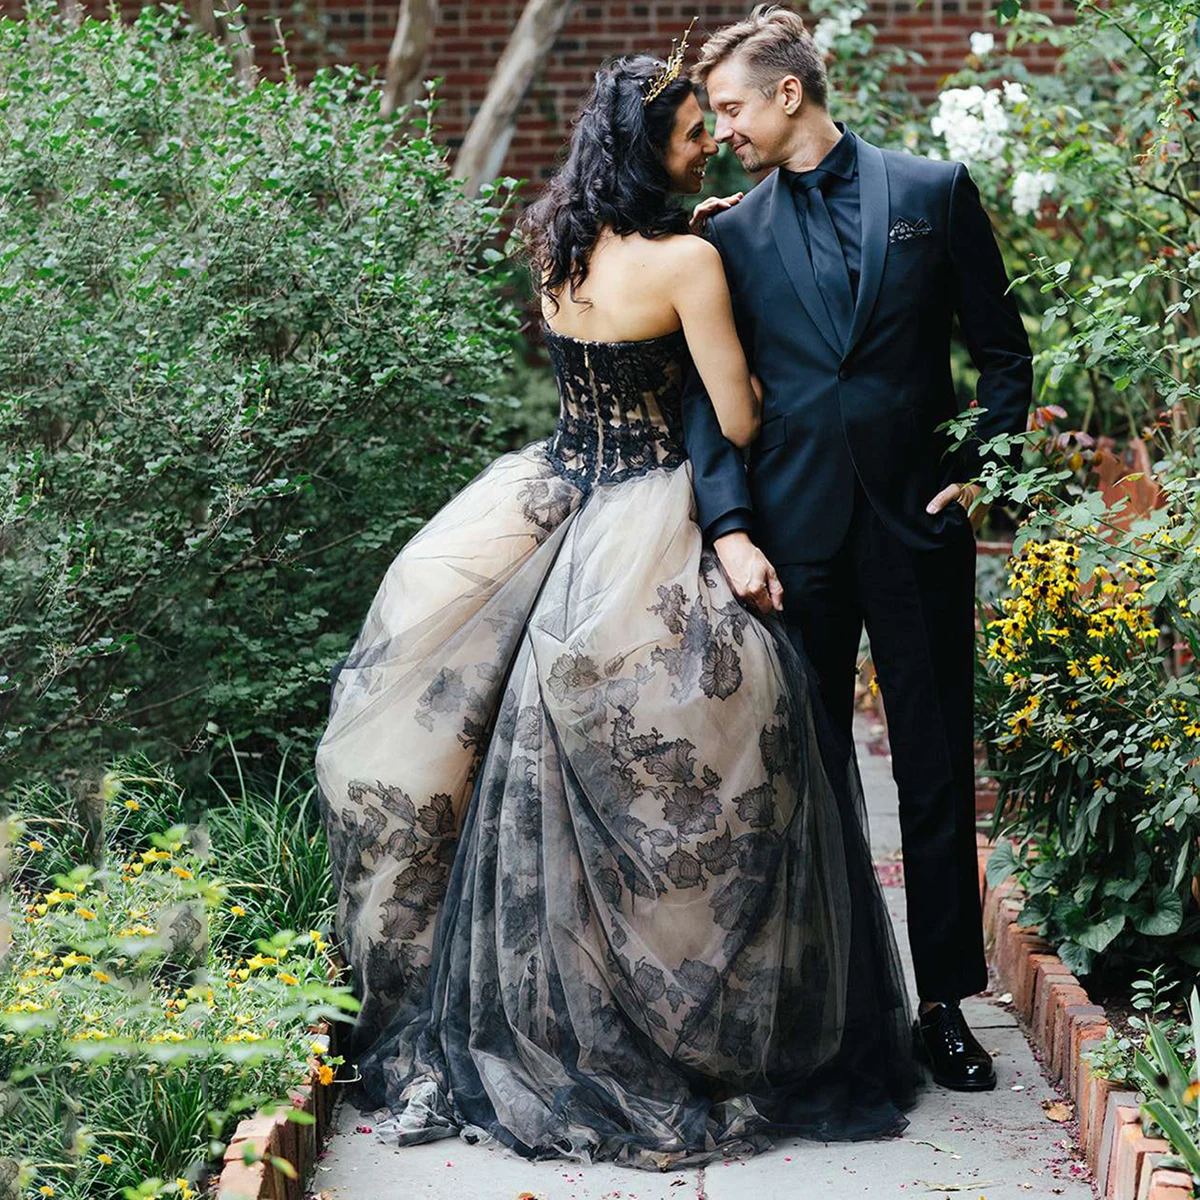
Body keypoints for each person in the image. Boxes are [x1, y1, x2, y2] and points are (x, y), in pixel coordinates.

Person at [314, 43, 920, 1171]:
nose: (705, 147)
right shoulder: (689, 261)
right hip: (647, 513)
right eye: (693, 134)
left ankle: (537, 1010)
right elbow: (733, 419)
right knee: (714, 751)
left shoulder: (558, 248)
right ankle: (676, 1015)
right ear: (654, 149)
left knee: (509, 755)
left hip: (549, 497)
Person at [683, 4, 1034, 1092]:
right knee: (801, 774)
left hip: (917, 525)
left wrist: (977, 463)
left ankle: (941, 1007)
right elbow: (709, 401)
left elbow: (1005, 354)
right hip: (793, 536)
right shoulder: (728, 235)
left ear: (790, 94)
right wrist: (732, 527)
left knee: (932, 770)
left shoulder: (932, 193)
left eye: (731, 107)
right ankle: (820, 1010)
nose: (720, 129)